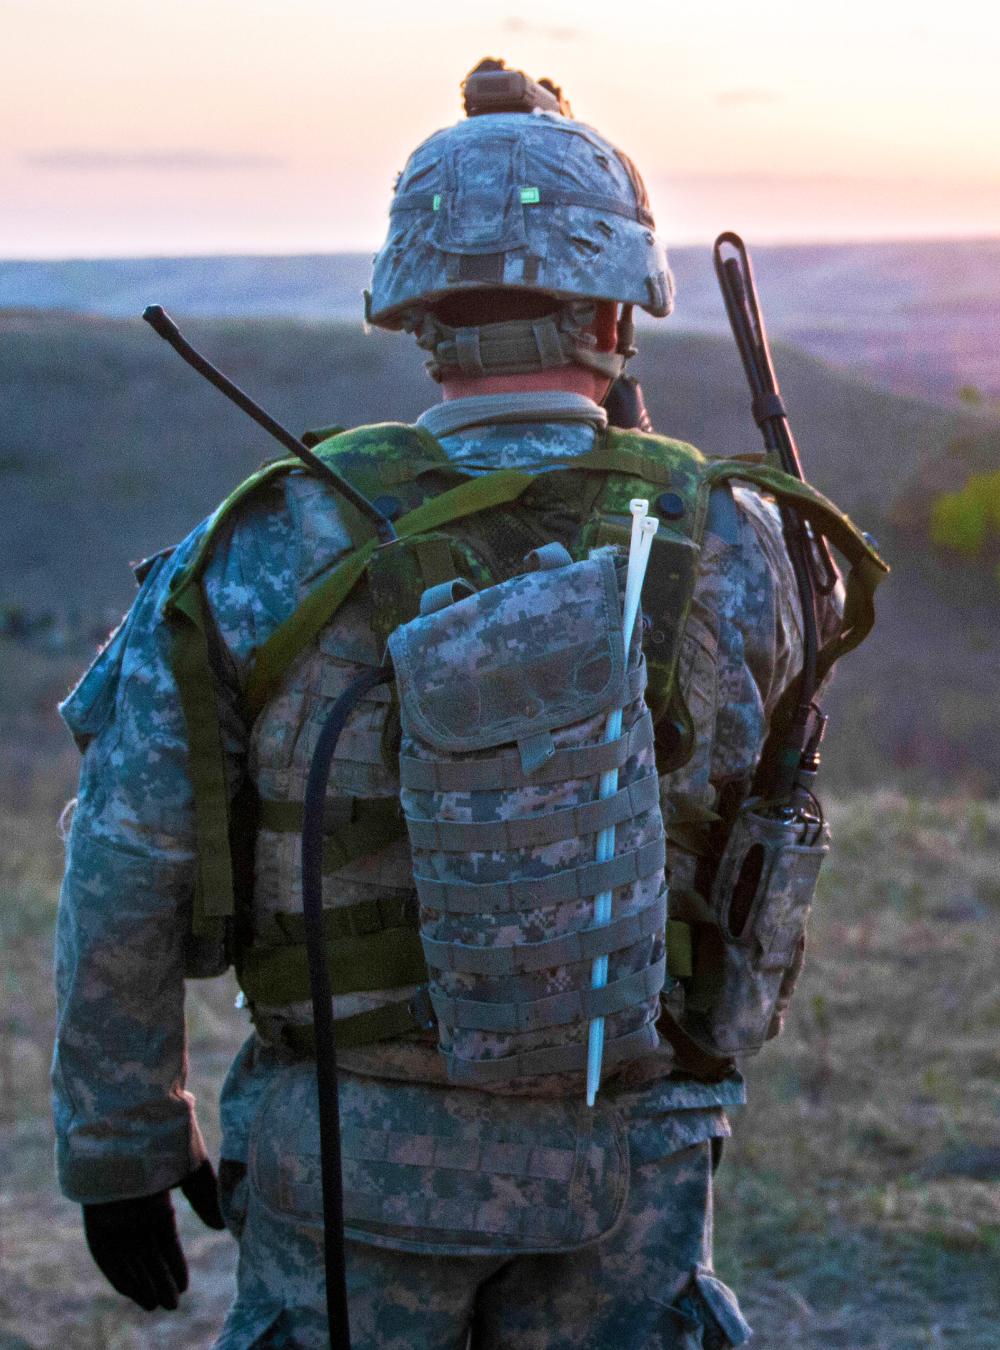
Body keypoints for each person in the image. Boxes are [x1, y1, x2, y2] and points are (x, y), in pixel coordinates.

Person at [54, 60, 876, 1349]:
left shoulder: (268, 545)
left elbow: (126, 857)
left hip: (346, 1170)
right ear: (621, 308)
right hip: (633, 1169)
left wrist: (121, 1144)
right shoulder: (748, 540)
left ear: (415, 310)